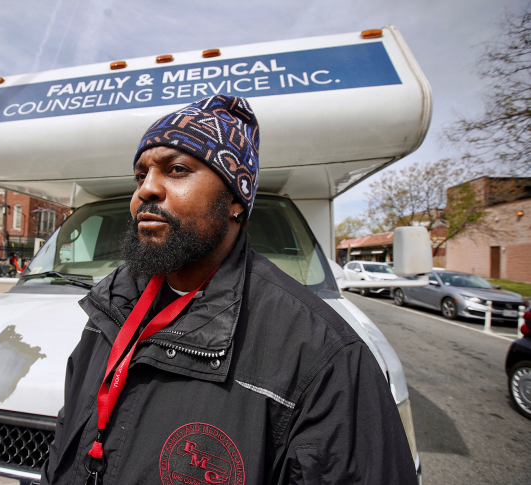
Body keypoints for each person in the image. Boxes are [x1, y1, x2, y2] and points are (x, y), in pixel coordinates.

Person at [41, 95, 416, 484]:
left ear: (236, 199)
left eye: (177, 169)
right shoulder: (111, 306)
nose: (145, 191)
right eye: (140, 175)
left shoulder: (323, 354)